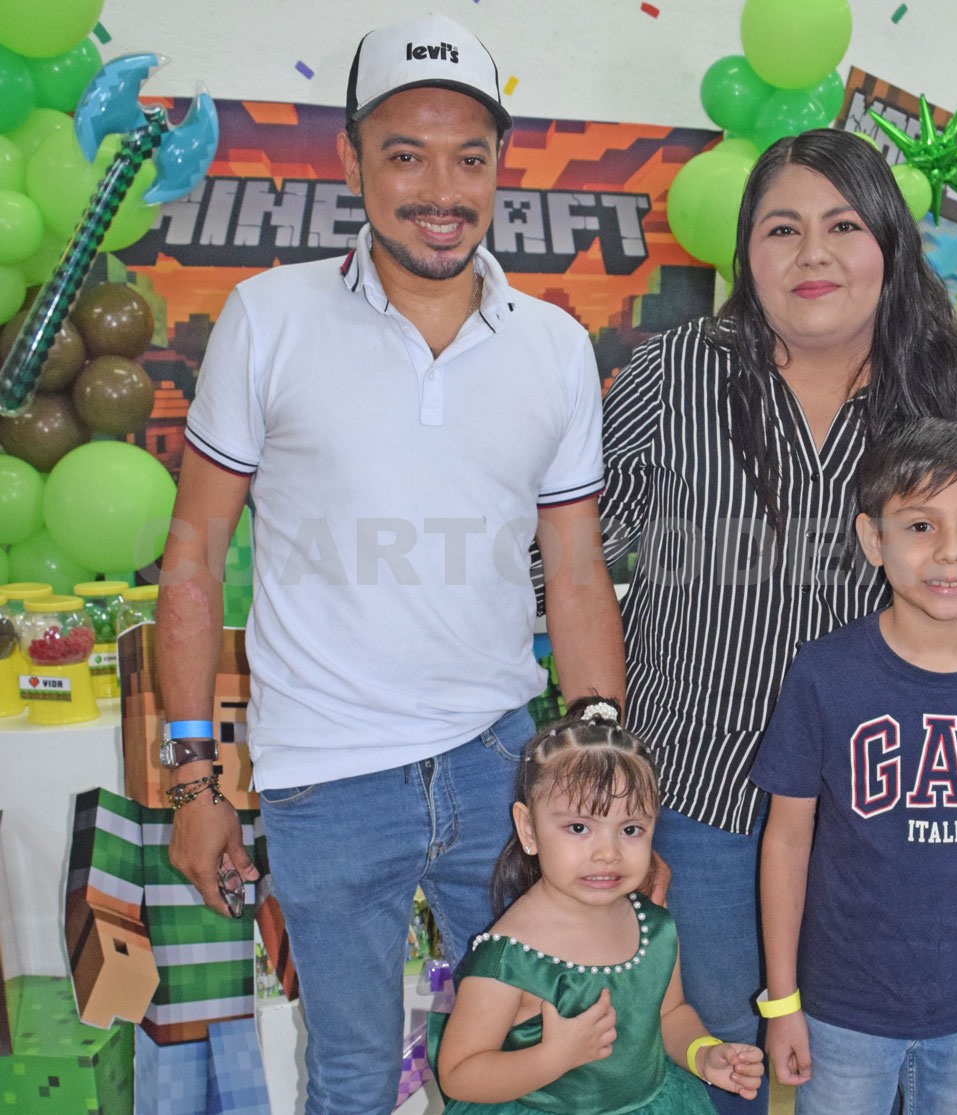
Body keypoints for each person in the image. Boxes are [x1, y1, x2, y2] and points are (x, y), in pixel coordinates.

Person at [154, 13, 624, 1115]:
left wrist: (598, 760)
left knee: (527, 1062)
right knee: (352, 1074)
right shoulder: (269, 317)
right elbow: (192, 554)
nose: (439, 189)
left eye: (468, 156)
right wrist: (193, 781)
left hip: (499, 764)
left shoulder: (552, 344)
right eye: (405, 154)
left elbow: (576, 567)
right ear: (352, 158)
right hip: (325, 777)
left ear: (499, 165)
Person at [598, 128, 957, 1112]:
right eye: (780, 227)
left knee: (867, 1062)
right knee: (721, 1053)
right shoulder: (672, 374)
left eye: (841, 224)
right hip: (703, 791)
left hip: (885, 801)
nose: (810, 254)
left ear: (888, 245)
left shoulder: (948, 383)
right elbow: (570, 554)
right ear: (744, 251)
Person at [753, 419, 957, 1114]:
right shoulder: (824, 674)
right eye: (920, 526)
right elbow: (787, 841)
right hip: (843, 1009)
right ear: (873, 539)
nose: (951, 552)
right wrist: (782, 1001)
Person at [430, 698, 765, 1113]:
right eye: (578, 827)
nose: (607, 852)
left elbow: (670, 1014)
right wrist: (553, 1058)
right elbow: (460, 1073)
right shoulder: (506, 957)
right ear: (529, 829)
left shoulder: (654, 927)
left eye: (630, 829)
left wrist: (702, 1053)